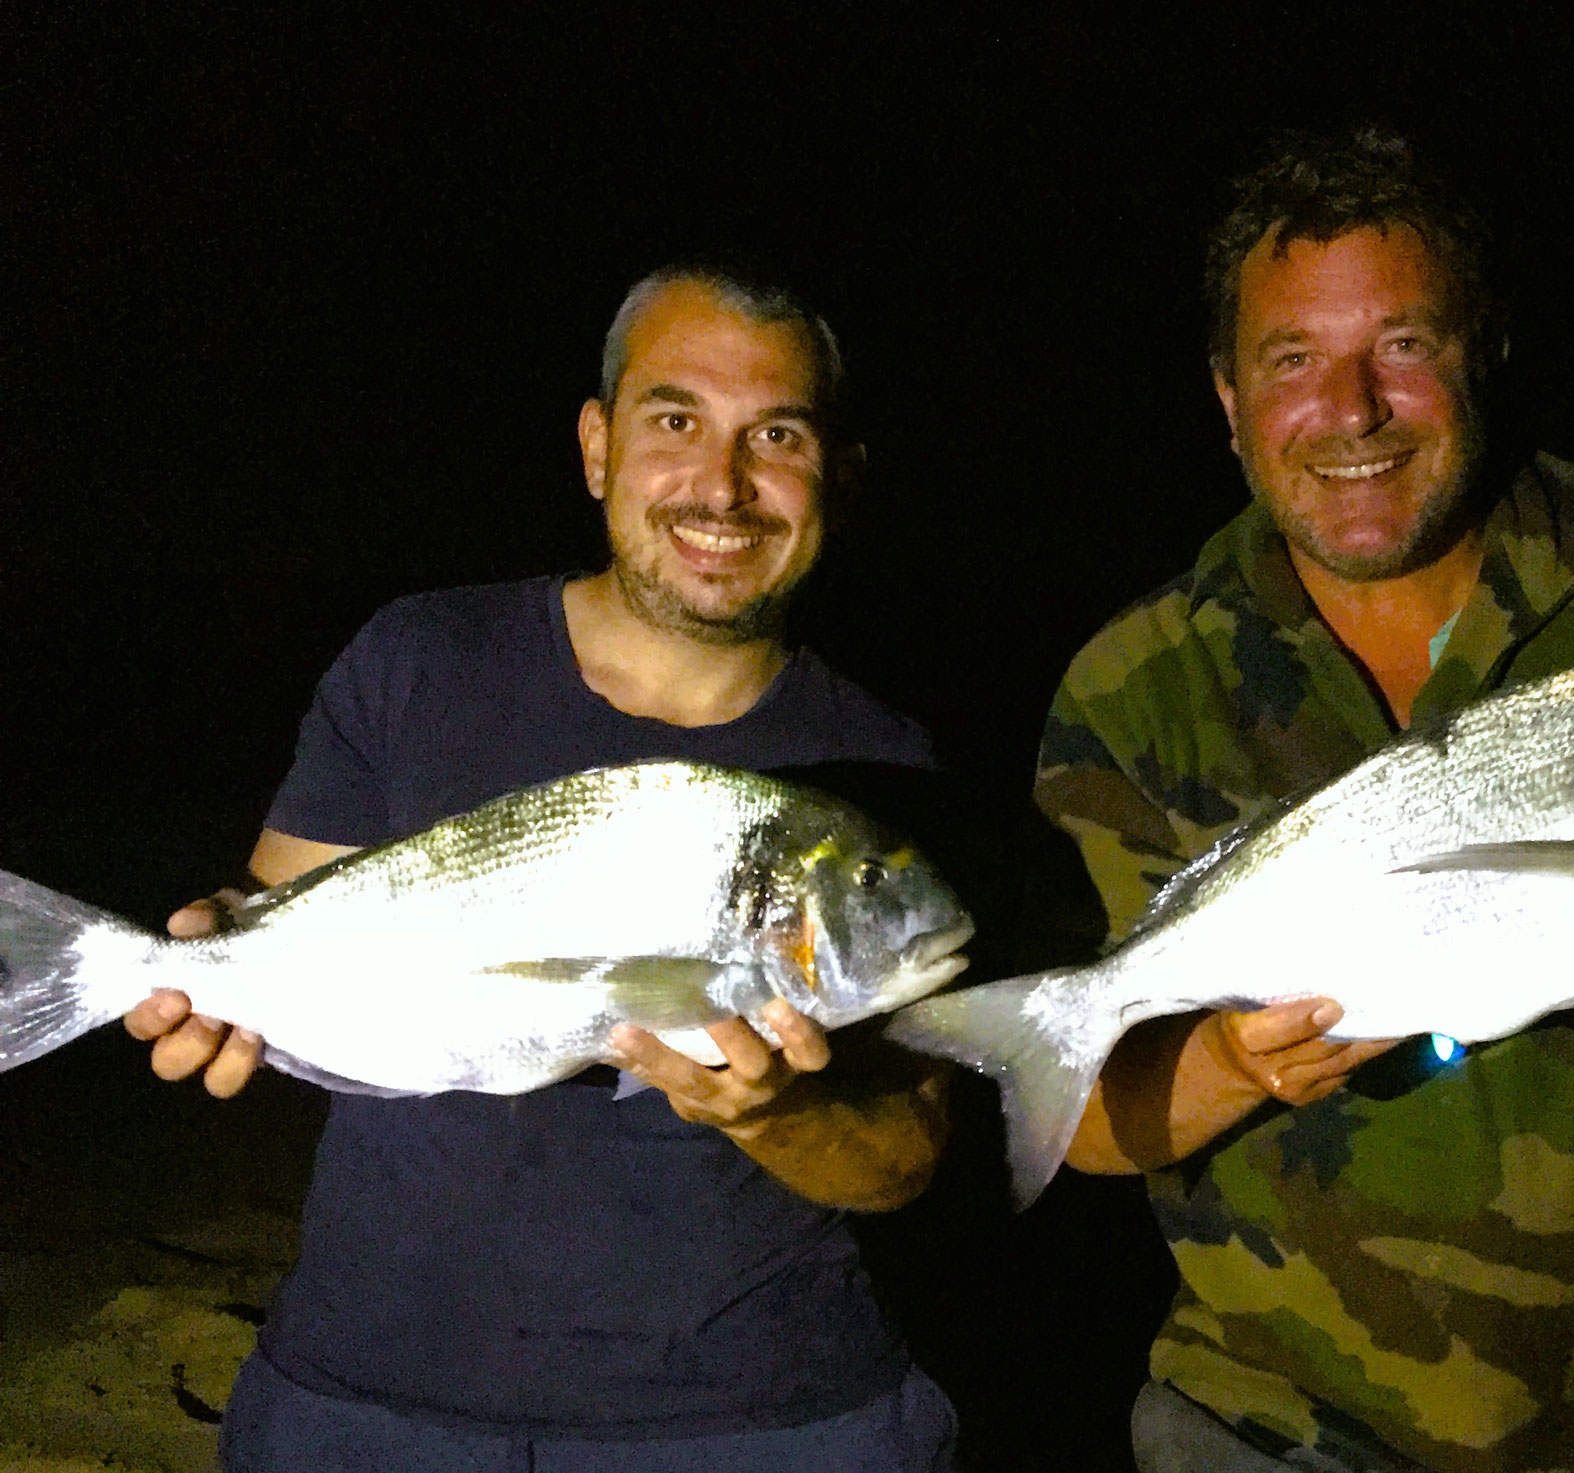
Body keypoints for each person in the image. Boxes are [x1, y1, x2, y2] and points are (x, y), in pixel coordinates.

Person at [1034, 128, 1574, 1473]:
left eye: (1403, 345)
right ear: (1229, 400)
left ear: (1480, 352)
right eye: (1292, 359)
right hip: (1268, 1427)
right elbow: (1079, 1114)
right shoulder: (1136, 684)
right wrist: (1234, 1062)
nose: (1352, 409)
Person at [125, 264, 960, 1471]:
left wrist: (779, 1111)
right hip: (369, 1398)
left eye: (774, 434)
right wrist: (215, 964)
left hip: (761, 1416)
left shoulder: (884, 766)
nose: (721, 486)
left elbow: (904, 1161)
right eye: (674, 420)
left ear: (836, 469)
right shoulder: (417, 659)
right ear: (596, 447)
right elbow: (277, 913)